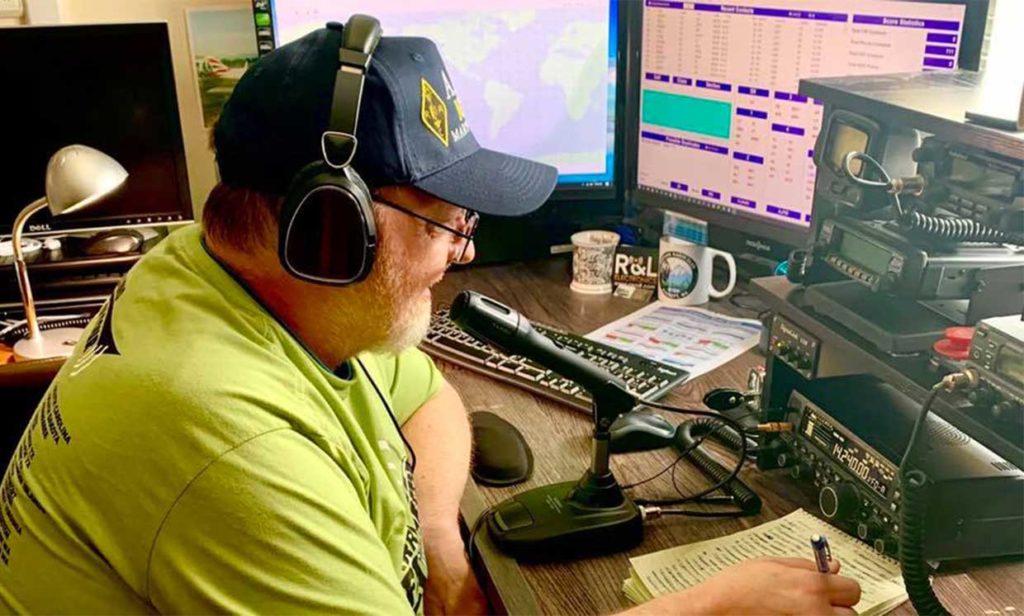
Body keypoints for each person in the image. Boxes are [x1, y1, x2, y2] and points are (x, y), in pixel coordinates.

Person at [0, 23, 861, 615]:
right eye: (449, 221)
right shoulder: (227, 445)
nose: (463, 252)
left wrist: (442, 546)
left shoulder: (207, 267)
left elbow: (425, 395)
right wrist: (718, 600)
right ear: (333, 228)